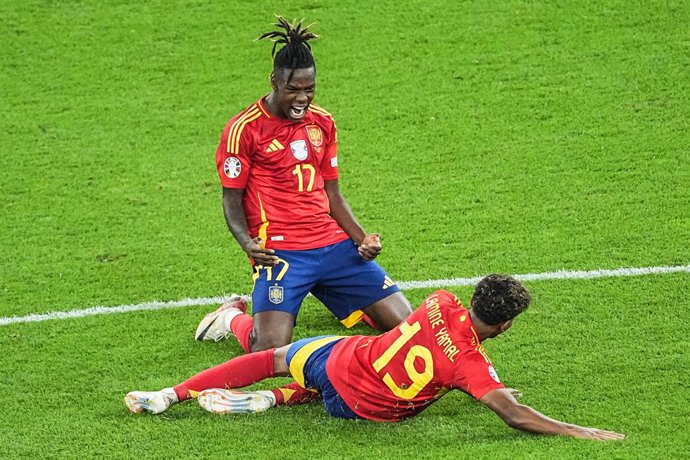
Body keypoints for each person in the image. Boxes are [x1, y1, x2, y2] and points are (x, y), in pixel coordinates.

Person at [125, 275, 625, 441]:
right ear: (506, 324)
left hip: (337, 363)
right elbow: (512, 414)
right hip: (364, 409)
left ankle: (173, 392)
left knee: (271, 352)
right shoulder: (472, 368)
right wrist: (582, 431)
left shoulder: (441, 301)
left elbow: (412, 330)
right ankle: (276, 398)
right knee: (328, 385)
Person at [200, 16, 413, 357]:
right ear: (274, 81)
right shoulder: (244, 129)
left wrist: (362, 239)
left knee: (409, 327)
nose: (302, 98)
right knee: (268, 349)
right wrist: (246, 243)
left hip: (333, 246)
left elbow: (333, 194)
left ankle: (348, 297)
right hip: (280, 253)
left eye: (309, 89)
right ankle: (230, 317)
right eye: (293, 89)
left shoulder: (323, 121)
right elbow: (231, 199)